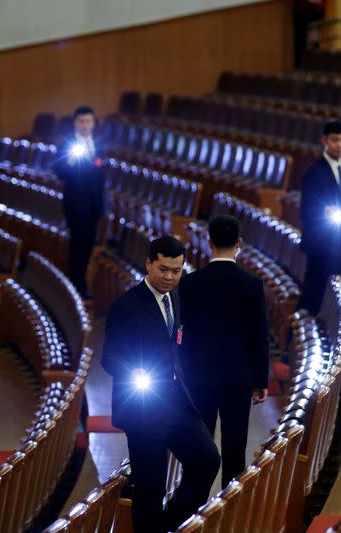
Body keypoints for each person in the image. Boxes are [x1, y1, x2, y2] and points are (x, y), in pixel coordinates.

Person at [102, 236, 220, 533]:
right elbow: (109, 358)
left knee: (207, 461)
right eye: (164, 269)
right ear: (149, 263)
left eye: (176, 271)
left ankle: (174, 523)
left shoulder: (177, 298)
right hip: (143, 410)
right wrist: (136, 371)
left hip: (178, 403)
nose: (169, 277)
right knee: (150, 488)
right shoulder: (126, 306)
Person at [178, 215, 270, 489]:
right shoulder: (252, 284)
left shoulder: (191, 283)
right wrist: (260, 380)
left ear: (209, 244)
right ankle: (228, 510)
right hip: (238, 379)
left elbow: (183, 333)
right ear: (239, 243)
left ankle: (194, 512)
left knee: (199, 450)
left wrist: (184, 374)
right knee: (235, 449)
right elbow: (259, 335)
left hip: (199, 378)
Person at [297, 119, 341, 355]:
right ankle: (294, 347)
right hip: (319, 243)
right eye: (335, 140)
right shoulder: (313, 172)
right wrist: (323, 212)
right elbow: (305, 210)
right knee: (315, 296)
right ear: (324, 141)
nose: (340, 145)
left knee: (314, 295)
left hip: (335, 242)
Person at [53, 106, 106, 298]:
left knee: (88, 244)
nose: (85, 125)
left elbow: (101, 174)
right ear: (75, 123)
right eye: (81, 121)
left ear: (93, 123)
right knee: (78, 243)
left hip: (93, 204)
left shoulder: (98, 145)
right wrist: (70, 163)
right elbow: (58, 172)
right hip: (76, 204)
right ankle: (77, 285)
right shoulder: (66, 144)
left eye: (88, 121)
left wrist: (101, 206)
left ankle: (80, 281)